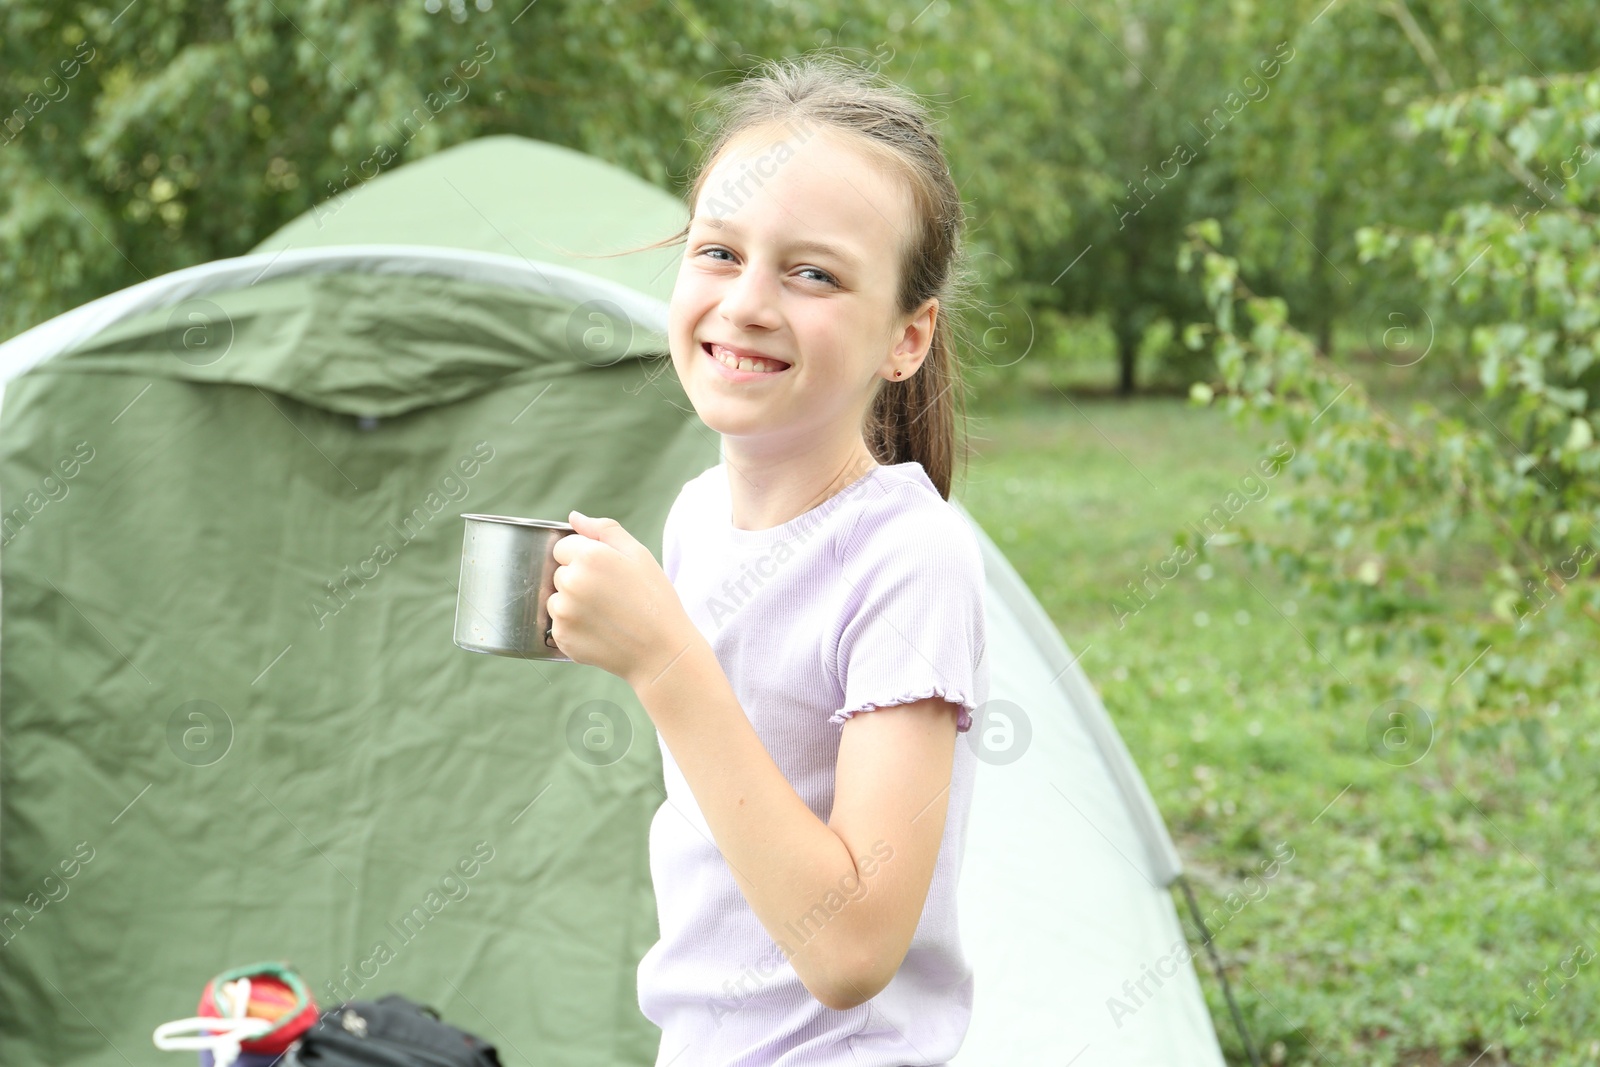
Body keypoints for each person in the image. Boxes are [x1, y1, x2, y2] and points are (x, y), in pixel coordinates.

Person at [546, 52, 988, 1067]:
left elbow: (848, 948)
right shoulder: (699, 516)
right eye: (717, 252)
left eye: (813, 272)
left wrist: (663, 661)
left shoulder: (908, 559)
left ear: (906, 338)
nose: (746, 301)